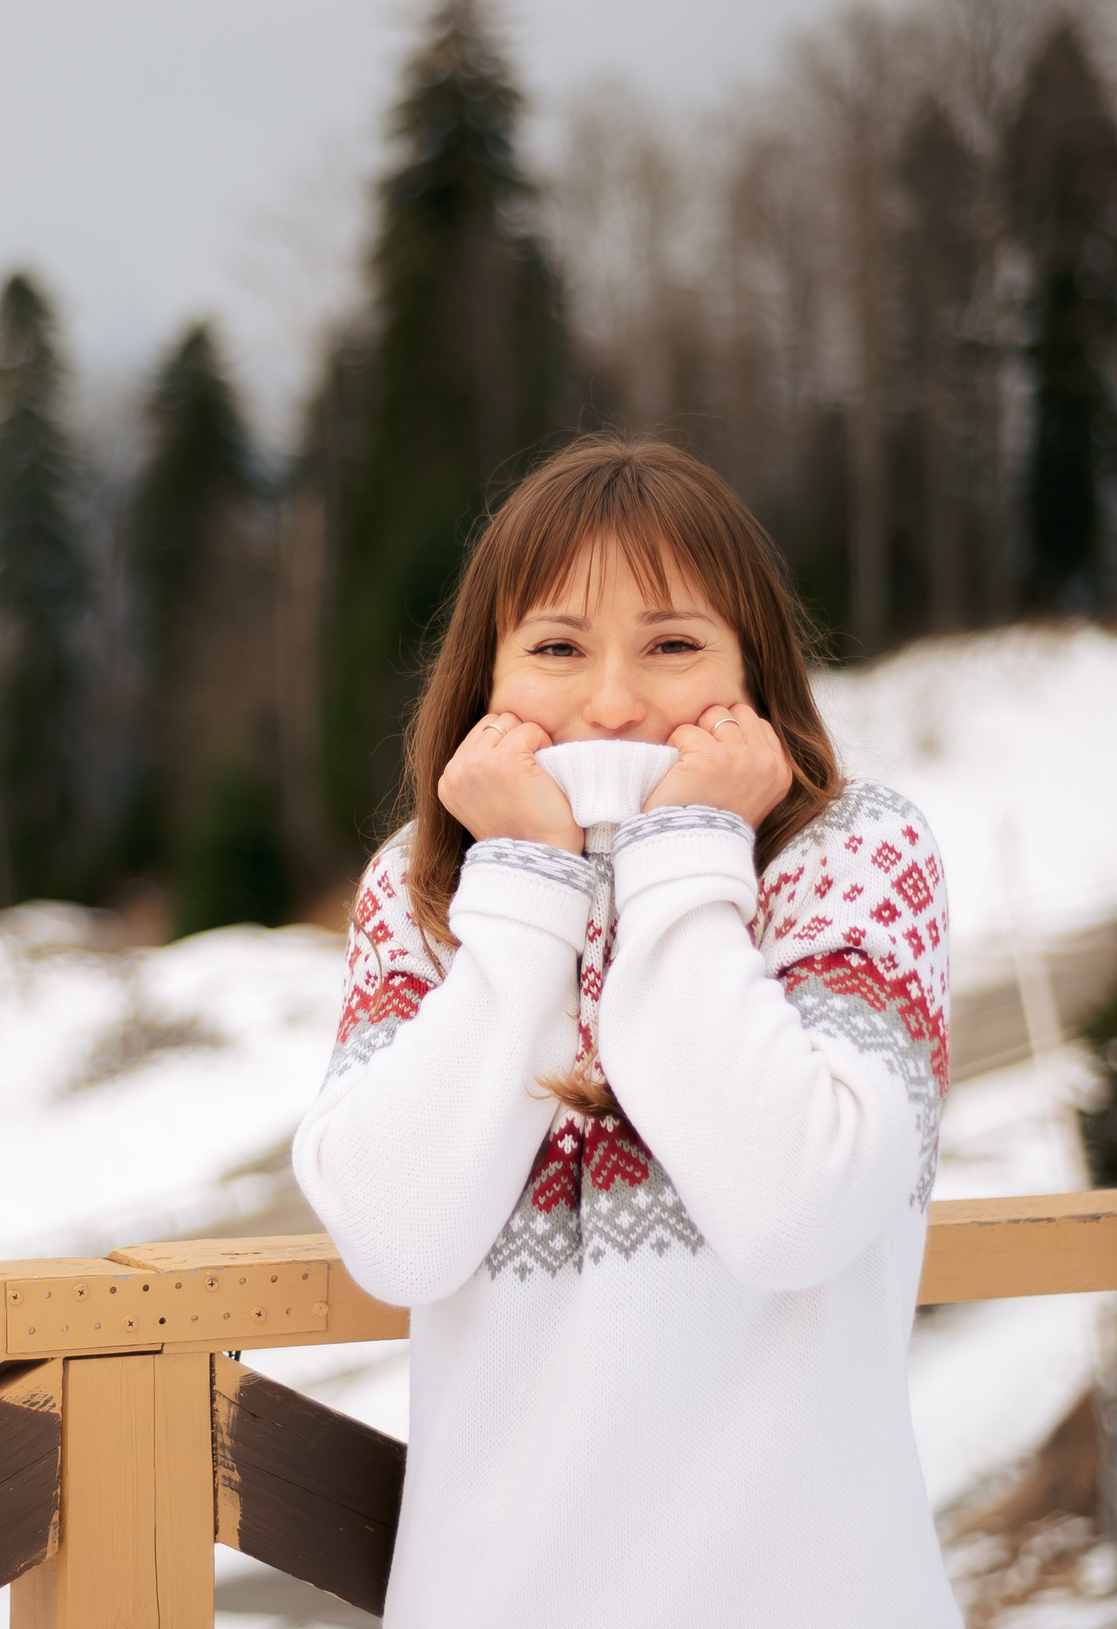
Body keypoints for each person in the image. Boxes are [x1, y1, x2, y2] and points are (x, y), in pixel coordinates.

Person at [293, 437, 957, 1626]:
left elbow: (794, 1208)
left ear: (752, 668)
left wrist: (688, 856)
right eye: (555, 647)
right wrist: (528, 891)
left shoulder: (855, 858)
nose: (611, 699)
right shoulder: (424, 892)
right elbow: (395, 1238)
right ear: (483, 680)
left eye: (671, 644)